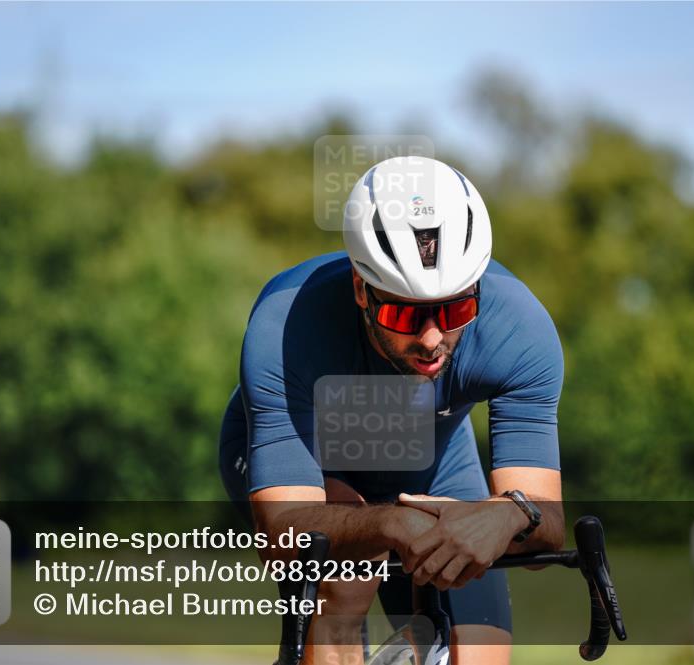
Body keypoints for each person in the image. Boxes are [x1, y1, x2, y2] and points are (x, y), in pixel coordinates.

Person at [219, 156, 565, 663]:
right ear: (362, 290)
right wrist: (390, 525)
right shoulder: (285, 325)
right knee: (346, 578)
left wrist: (510, 515)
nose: (431, 338)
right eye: (405, 314)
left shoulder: (518, 328)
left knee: (481, 650)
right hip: (316, 460)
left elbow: (546, 526)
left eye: (455, 310)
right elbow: (284, 533)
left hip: (433, 459)